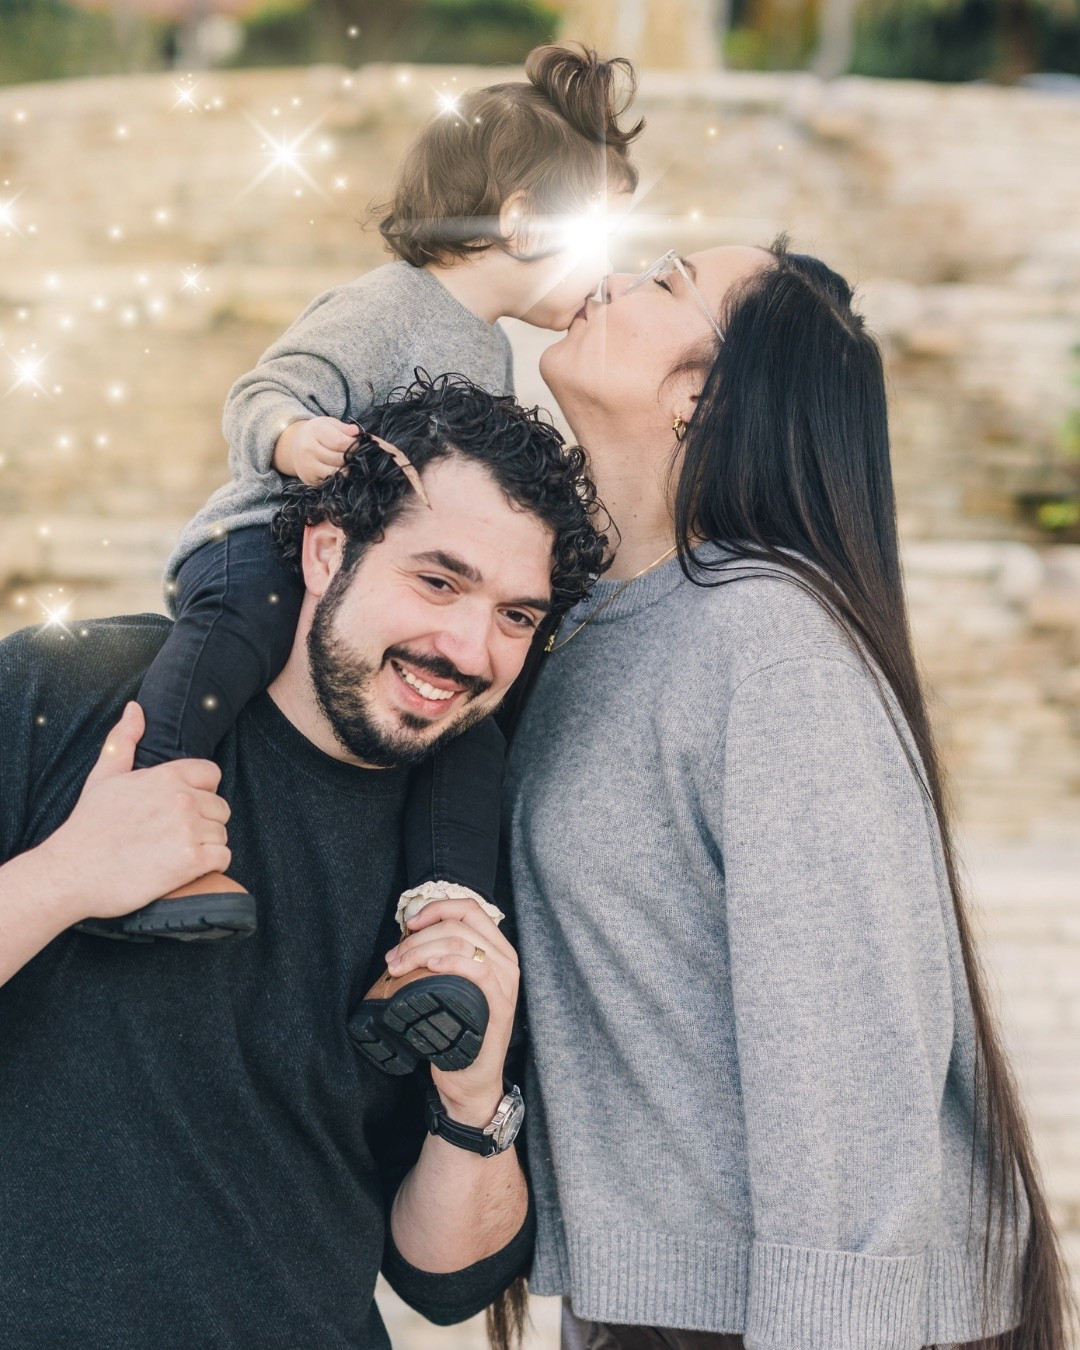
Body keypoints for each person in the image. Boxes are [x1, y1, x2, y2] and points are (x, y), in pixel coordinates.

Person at [492, 240, 1076, 1349]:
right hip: (655, 1311)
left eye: (665, 281)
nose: (607, 279)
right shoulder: (586, 630)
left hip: (795, 1319)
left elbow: (847, 1051)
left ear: (700, 395)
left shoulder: (767, 644)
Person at [0, 376, 608, 1350]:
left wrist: (473, 1094)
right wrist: (64, 876)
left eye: (515, 617)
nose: (467, 647)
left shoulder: (480, 867)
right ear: (329, 550)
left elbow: (447, 1282)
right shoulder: (63, 691)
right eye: (438, 581)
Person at [81, 40, 640, 1050]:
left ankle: (436, 936)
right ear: (518, 222)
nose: (606, 274)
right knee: (240, 630)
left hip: (367, 579)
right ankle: (147, 825)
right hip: (262, 539)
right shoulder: (388, 305)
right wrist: (293, 439)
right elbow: (262, 390)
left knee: (470, 738)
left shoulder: (490, 352)